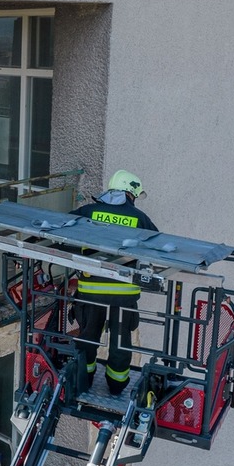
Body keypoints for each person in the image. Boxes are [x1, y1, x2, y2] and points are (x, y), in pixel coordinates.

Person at [70, 170, 159, 396]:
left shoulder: (87, 211)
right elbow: (158, 248)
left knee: (89, 335)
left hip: (91, 291)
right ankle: (116, 385)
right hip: (124, 293)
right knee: (121, 339)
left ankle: (85, 378)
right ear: (131, 193)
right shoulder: (140, 218)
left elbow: (62, 230)